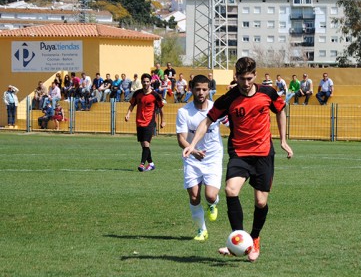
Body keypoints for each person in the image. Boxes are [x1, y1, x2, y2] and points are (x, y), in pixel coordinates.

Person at [182, 57, 293, 262]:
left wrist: (284, 140)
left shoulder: (267, 93)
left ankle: (255, 238)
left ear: (255, 76)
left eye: (249, 78)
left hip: (263, 154)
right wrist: (192, 144)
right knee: (230, 190)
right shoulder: (229, 98)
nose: (246, 83)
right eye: (242, 78)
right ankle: (239, 240)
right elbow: (207, 121)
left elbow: (280, 110)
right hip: (240, 153)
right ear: (236, 76)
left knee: (260, 202)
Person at [176, 75, 224, 241]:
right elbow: (181, 138)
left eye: (204, 89)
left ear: (209, 89)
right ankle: (201, 230)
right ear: (191, 89)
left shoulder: (216, 109)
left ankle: (213, 203)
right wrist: (193, 150)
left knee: (210, 195)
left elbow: (231, 122)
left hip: (213, 158)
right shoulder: (184, 112)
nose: (201, 92)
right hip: (192, 158)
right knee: (194, 196)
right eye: (197, 89)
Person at [125, 73, 166, 172]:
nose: (145, 83)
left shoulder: (155, 95)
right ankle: (151, 164)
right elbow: (132, 105)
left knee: (146, 143)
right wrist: (128, 114)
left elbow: (161, 109)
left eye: (147, 81)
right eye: (144, 81)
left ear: (150, 82)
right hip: (139, 122)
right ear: (142, 82)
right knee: (143, 145)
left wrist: (163, 120)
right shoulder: (137, 93)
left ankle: (142, 164)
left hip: (150, 122)